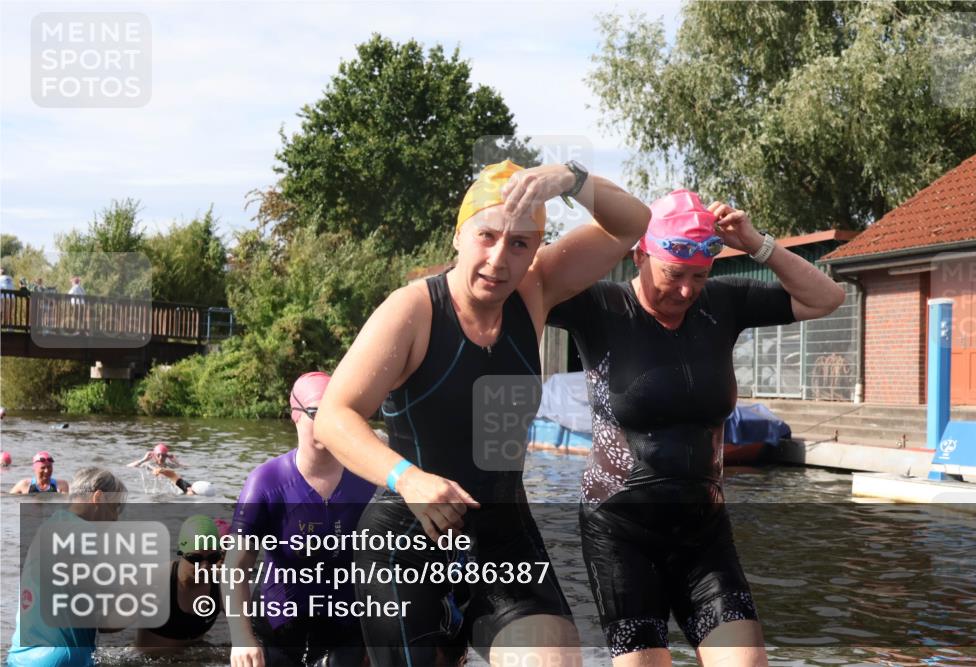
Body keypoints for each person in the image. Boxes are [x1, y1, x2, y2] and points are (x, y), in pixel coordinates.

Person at [313, 159, 650, 666]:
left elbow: (633, 225)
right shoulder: (412, 311)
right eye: (487, 236)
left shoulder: (534, 291)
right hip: (406, 538)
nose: (498, 259)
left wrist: (574, 179)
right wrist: (407, 478)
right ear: (459, 236)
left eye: (519, 244)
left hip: (503, 535)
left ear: (535, 250)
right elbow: (335, 415)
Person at [546, 189, 845, 667]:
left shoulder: (722, 304)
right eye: (674, 274)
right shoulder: (596, 306)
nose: (686, 291)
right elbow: (524, 284)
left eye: (699, 277)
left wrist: (755, 244)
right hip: (621, 530)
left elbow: (828, 297)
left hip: (702, 532)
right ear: (640, 255)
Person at [227, 371, 376, 667]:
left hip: (345, 629)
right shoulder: (266, 481)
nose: (325, 422)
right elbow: (236, 565)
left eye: (334, 412)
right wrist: (241, 639)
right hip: (277, 628)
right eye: (315, 412)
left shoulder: (368, 478)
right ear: (295, 414)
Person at [7, 467, 127, 667]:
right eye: (115, 507)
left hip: (19, 657)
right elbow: (109, 622)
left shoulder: (48, 527)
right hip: (63, 659)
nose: (116, 518)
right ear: (99, 498)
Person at [135, 515, 224, 656]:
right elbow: (107, 627)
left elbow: (252, 622)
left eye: (212, 558)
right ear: (180, 553)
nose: (204, 567)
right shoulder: (156, 580)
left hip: (194, 660)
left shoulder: (220, 587)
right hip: (152, 662)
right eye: (195, 559)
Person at [151, 468, 215, 496]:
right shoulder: (188, 490)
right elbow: (173, 476)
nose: (188, 488)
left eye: (191, 490)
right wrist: (161, 470)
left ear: (196, 494)